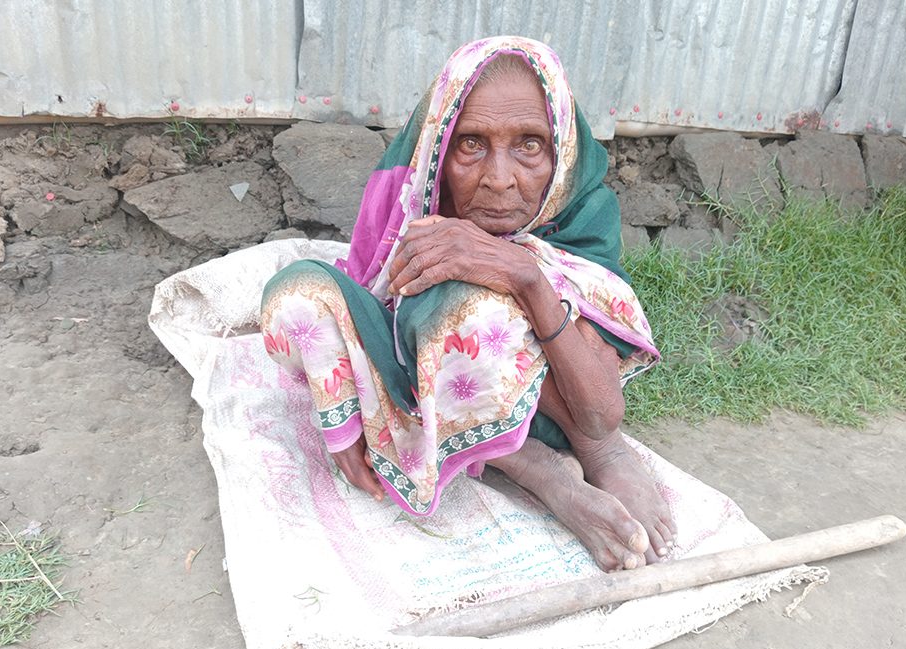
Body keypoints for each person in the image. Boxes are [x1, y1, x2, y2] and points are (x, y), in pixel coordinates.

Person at [260, 36, 676, 571]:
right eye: (471, 144)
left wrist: (523, 275)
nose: (499, 179)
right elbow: (371, 301)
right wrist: (340, 408)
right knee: (294, 295)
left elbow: (599, 414)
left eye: (529, 144)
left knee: (464, 307)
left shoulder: (582, 212)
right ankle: (541, 472)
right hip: (422, 386)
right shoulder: (415, 205)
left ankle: (579, 464)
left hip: (565, 414)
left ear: (561, 150)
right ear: (438, 150)